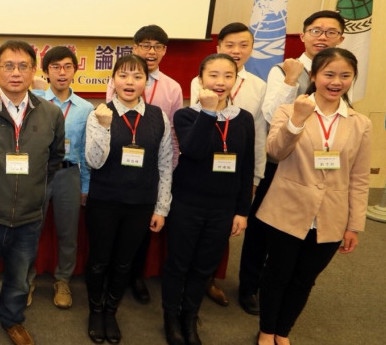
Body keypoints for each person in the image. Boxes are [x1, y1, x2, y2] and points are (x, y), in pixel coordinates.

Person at [256, 48, 369, 345]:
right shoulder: (289, 110)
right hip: (287, 209)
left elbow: (359, 177)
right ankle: (266, 330)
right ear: (314, 76)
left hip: (331, 216)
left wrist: (354, 224)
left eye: (345, 76)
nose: (336, 82)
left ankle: (283, 331)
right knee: (276, 275)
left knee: (305, 279)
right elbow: (275, 151)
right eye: (329, 74)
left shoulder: (360, 123)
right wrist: (297, 120)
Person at [0, 40, 66, 345]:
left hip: (29, 217)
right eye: (8, 66)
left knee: (19, 279)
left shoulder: (50, 113)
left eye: (23, 66)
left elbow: (55, 158)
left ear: (34, 71)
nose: (15, 73)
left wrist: (34, 191)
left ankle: (13, 320)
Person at [239, 10, 346, 315]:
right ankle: (249, 287)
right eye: (316, 31)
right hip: (280, 160)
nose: (322, 37)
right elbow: (272, 114)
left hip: (317, 167)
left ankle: (279, 283)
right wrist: (290, 79)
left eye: (330, 32)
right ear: (303, 36)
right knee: (262, 228)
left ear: (341, 38)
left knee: (300, 228)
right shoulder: (284, 69)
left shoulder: (341, 72)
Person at [163, 54, 253, 345]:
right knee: (178, 264)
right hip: (187, 203)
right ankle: (170, 317)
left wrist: (242, 211)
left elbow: (246, 166)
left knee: (203, 266)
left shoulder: (244, 119)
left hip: (222, 208)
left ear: (235, 80)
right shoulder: (186, 115)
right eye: (213, 75)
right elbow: (193, 151)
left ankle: (190, 317)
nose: (220, 82)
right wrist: (208, 112)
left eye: (228, 75)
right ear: (200, 79)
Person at [86, 54, 172, 344]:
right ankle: (95, 310)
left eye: (137, 76)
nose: (130, 82)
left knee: (124, 263)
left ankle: (111, 311)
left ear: (146, 82)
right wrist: (104, 126)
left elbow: (165, 164)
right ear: (113, 80)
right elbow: (93, 161)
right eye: (123, 75)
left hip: (141, 203)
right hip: (104, 201)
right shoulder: (99, 113)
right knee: (99, 261)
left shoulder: (158, 116)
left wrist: (161, 208)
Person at [189, 23, 267, 309]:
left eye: (243, 45)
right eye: (230, 45)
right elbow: (195, 133)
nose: (237, 50)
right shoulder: (199, 82)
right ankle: (191, 284)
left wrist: (255, 177)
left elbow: (258, 138)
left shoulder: (258, 86)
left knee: (219, 236)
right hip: (201, 172)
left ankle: (208, 280)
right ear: (218, 46)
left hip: (234, 174)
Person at [107, 25, 182, 306]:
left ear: (164, 51)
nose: (151, 51)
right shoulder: (117, 80)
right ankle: (114, 276)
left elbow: (173, 131)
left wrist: (170, 167)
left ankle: (136, 276)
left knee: (141, 228)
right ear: (135, 47)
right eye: (145, 45)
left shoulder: (172, 87)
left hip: (153, 167)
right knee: (118, 226)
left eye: (157, 46)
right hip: (121, 165)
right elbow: (111, 121)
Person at [28, 46, 92, 309]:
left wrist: (85, 186)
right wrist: (36, 92)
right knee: (30, 230)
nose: (62, 72)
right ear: (46, 72)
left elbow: (86, 151)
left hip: (69, 174)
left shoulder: (86, 108)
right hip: (39, 173)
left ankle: (63, 280)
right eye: (55, 67)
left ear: (75, 70)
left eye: (67, 66)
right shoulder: (35, 101)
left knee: (68, 232)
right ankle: (26, 280)